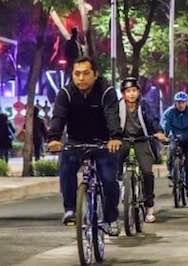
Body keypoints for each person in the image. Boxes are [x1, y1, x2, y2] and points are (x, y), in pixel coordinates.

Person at [47, 56, 123, 236]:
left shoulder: (107, 91)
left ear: (95, 74)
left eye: (86, 73)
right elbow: (58, 117)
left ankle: (111, 219)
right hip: (75, 142)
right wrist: (54, 138)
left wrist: (115, 137)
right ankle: (71, 210)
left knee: (109, 179)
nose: (81, 78)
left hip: (104, 143)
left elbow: (112, 115)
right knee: (66, 168)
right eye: (77, 74)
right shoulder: (65, 93)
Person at [117, 77, 166, 223]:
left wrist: (159, 132)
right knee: (112, 166)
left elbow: (153, 120)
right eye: (128, 91)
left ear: (138, 92)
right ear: (123, 93)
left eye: (134, 91)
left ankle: (149, 206)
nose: (131, 94)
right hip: (123, 139)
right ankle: (120, 187)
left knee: (146, 172)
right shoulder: (117, 106)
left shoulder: (144, 105)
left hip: (142, 140)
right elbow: (110, 122)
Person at [161, 91, 188, 198]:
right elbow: (164, 123)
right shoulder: (170, 112)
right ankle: (172, 175)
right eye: (178, 102)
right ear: (175, 103)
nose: (181, 105)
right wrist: (163, 135)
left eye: (183, 102)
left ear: (187, 102)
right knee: (171, 155)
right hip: (175, 138)